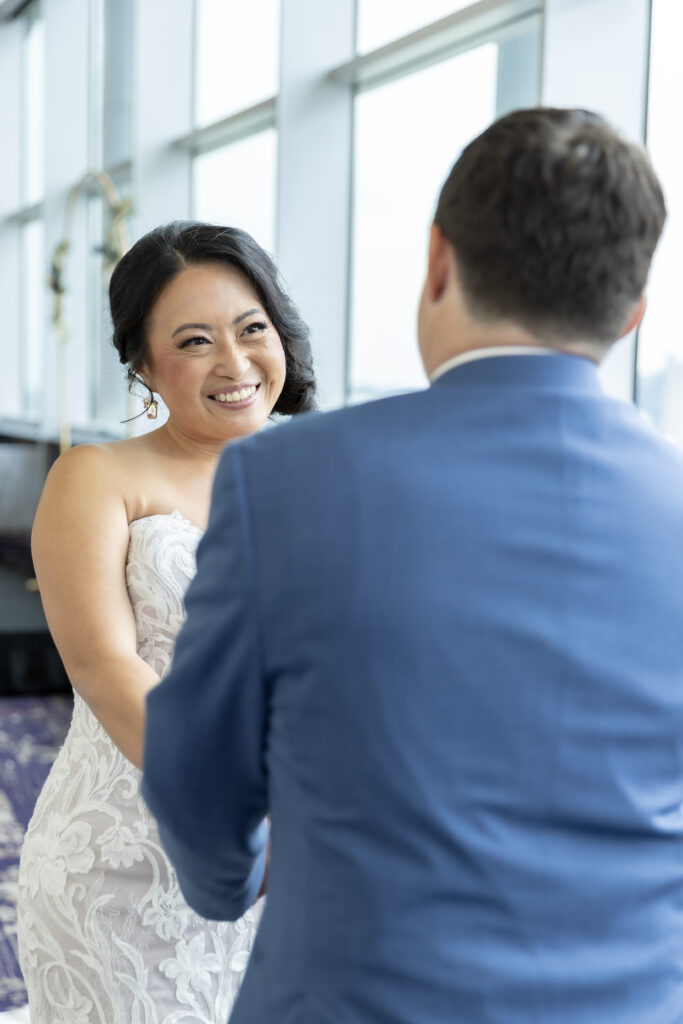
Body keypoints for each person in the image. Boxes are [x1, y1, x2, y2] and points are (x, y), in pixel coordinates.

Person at [143, 107, 683, 1024]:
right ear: (632, 312)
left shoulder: (283, 481)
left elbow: (195, 782)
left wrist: (228, 886)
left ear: (438, 261)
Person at [16, 221, 315, 1023]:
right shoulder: (97, 476)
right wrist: (232, 803)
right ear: (143, 364)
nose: (234, 362)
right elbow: (105, 666)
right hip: (123, 864)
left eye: (251, 328)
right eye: (193, 341)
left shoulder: (323, 468)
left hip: (297, 861)